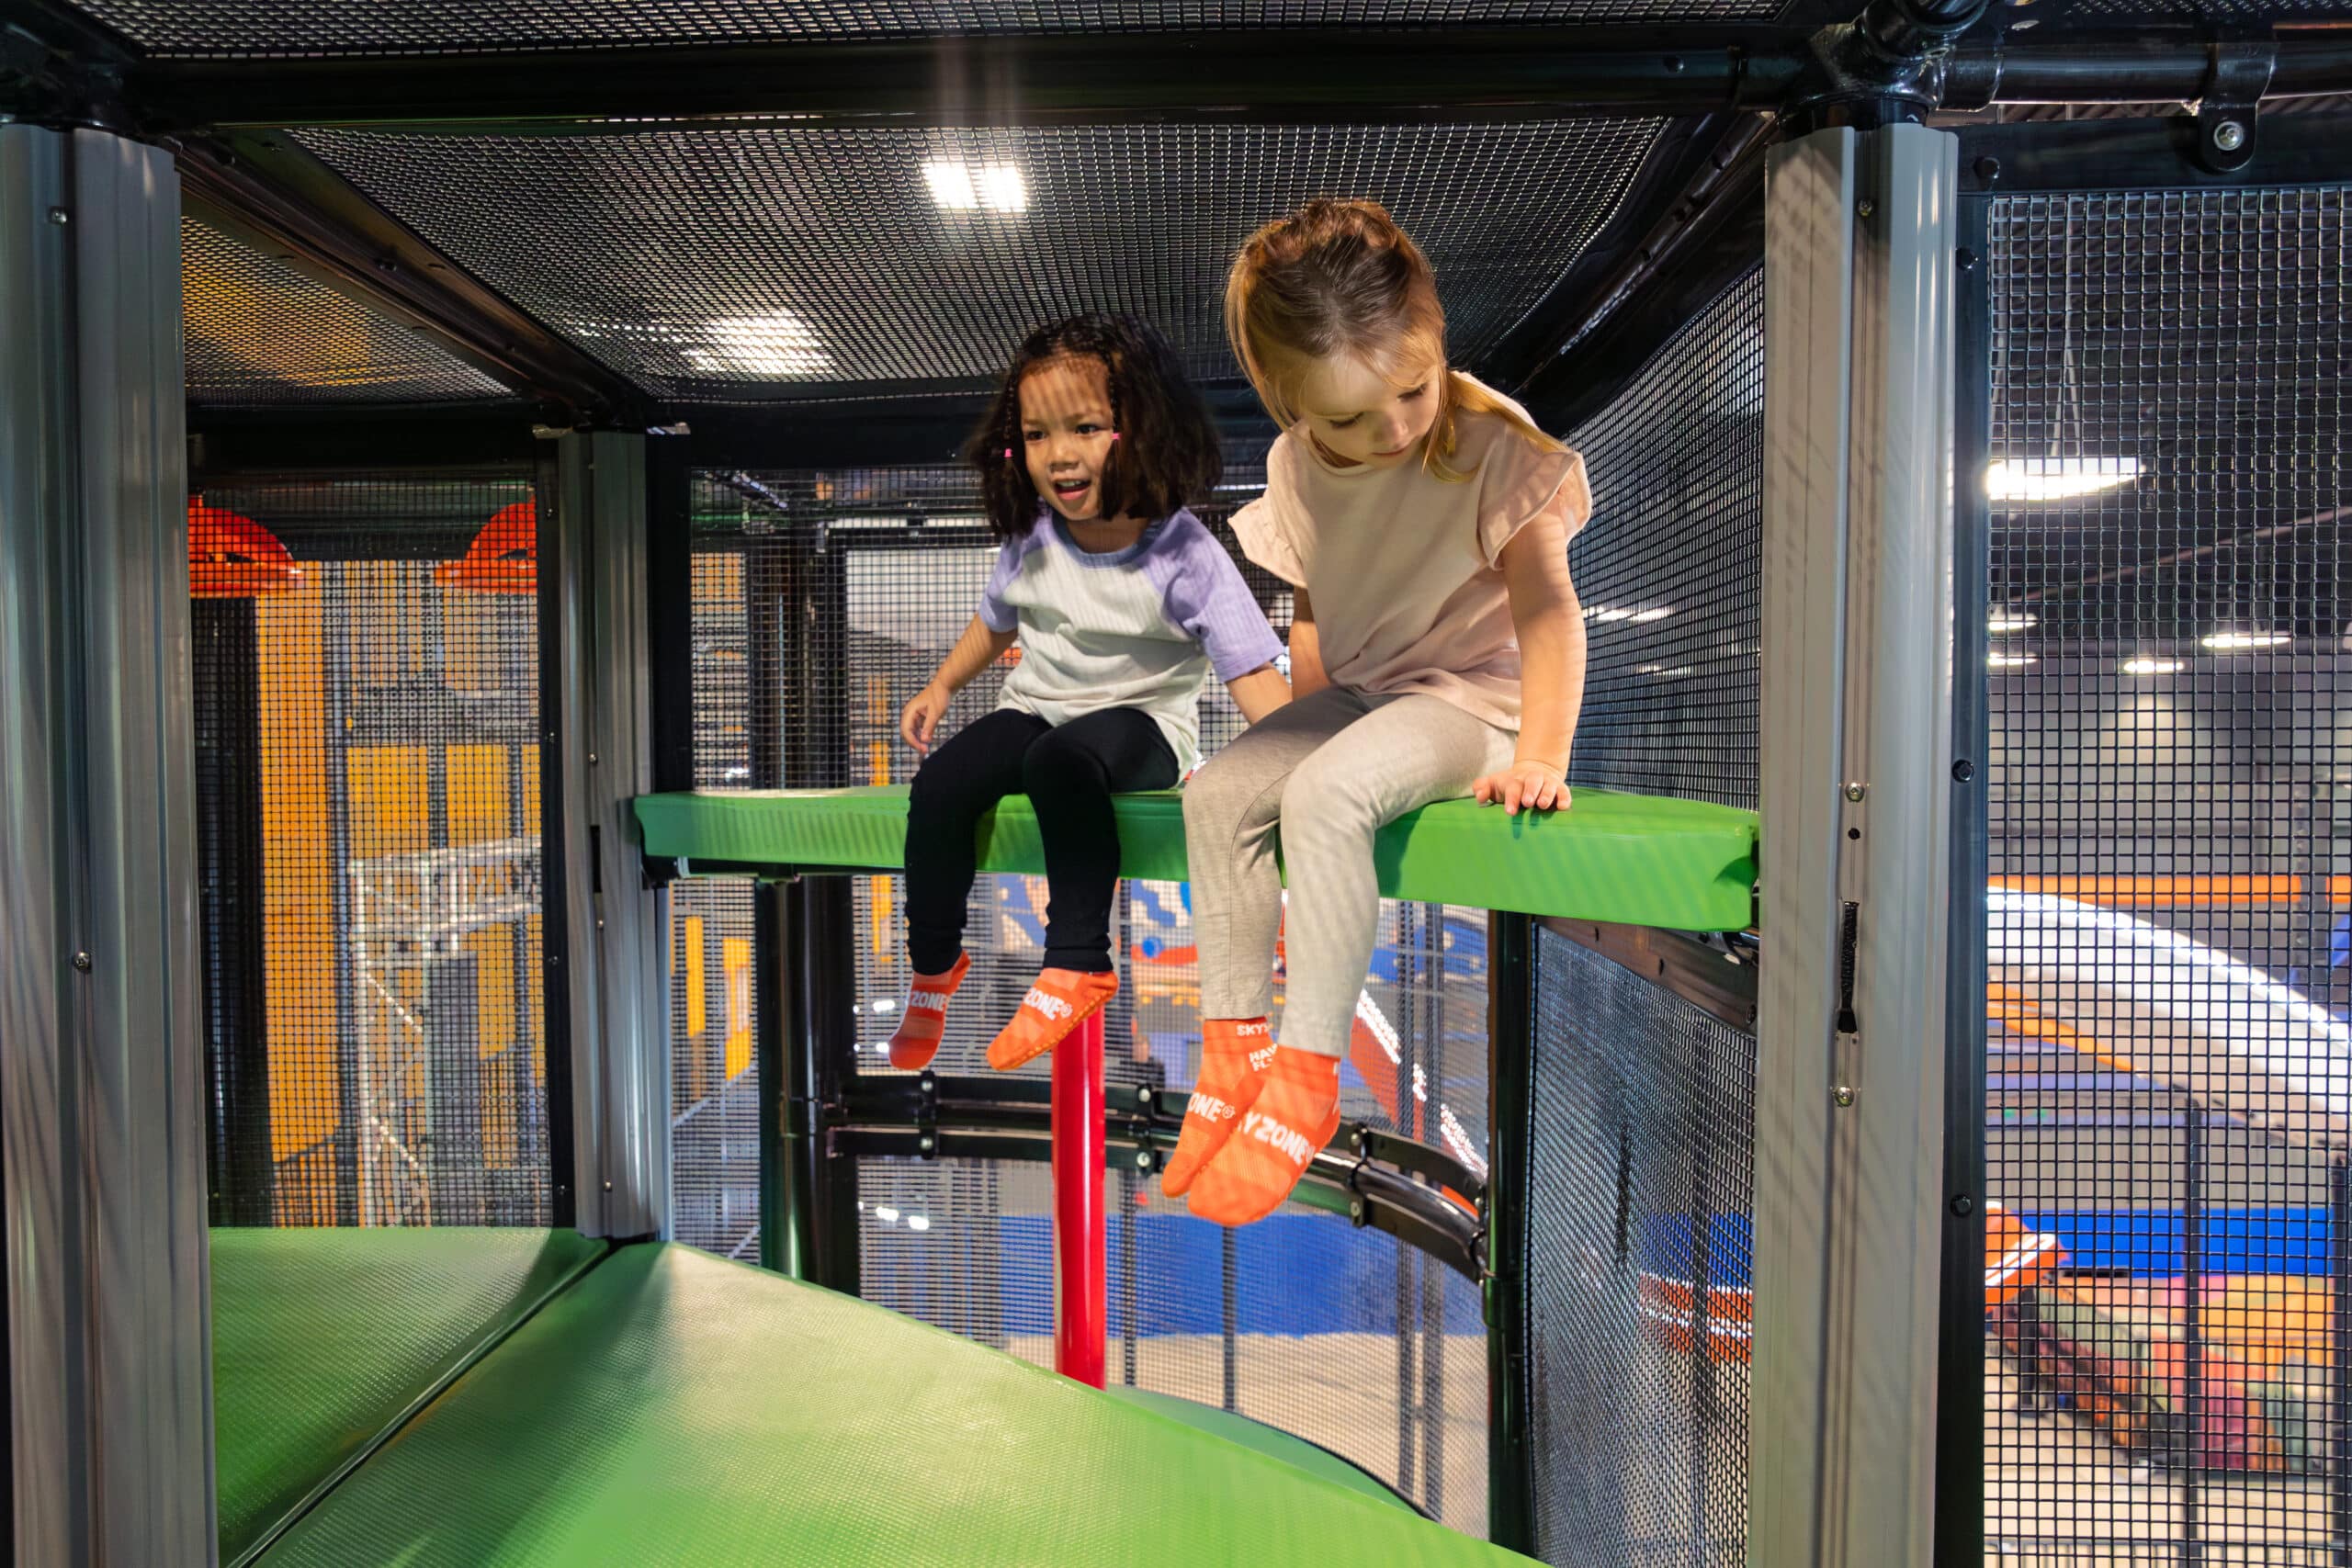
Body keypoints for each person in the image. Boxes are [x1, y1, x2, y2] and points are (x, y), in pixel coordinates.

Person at [1169, 199, 1593, 1226]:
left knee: (1326, 797)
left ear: (1434, 340)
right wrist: (1299, 717)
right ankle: (1234, 1056)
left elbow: (1547, 609)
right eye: (1348, 420)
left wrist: (1538, 754)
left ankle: (1307, 1077)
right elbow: (1314, 601)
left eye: (1409, 391)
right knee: (1218, 793)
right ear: (1286, 404)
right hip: (1363, 692)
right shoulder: (1292, 463)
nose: (1393, 429)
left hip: (1471, 697)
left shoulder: (1492, 443)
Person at [886, 313, 1289, 1074]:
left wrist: (1303, 767)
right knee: (942, 782)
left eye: (1086, 427)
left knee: (1061, 763)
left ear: (1138, 429)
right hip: (1037, 708)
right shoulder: (1032, 536)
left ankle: (1076, 961)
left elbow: (1251, 673)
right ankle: (934, 967)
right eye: (1038, 435)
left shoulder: (1184, 551)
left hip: (1144, 727)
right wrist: (942, 683)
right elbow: (994, 620)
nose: (1060, 455)